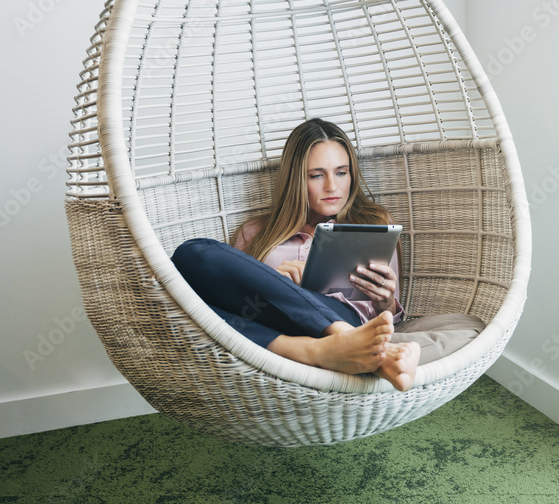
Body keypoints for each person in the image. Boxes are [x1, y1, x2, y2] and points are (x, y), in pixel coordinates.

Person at [171, 119, 420, 391]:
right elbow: (232, 304)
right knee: (190, 254)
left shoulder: (373, 223)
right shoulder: (255, 232)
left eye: (341, 172)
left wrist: (386, 303)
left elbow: (384, 319)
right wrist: (270, 282)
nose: (332, 187)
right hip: (269, 322)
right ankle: (326, 349)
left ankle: (338, 336)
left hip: (345, 318)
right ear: (296, 179)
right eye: (316, 175)